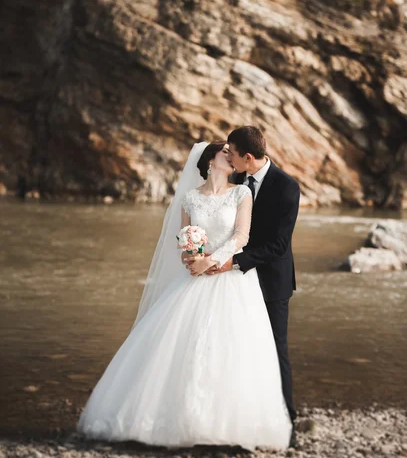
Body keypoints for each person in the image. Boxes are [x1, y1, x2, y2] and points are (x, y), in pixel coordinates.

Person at [77, 141, 292, 450]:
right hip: (194, 277)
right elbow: (185, 238)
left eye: (232, 153)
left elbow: (241, 236)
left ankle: (224, 425)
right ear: (209, 161)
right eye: (225, 153)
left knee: (231, 347)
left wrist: (213, 261)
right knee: (177, 344)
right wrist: (191, 258)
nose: (231, 157)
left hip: (230, 277)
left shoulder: (241, 193)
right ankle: (166, 419)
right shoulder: (190, 198)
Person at [200, 127, 300, 447]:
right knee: (238, 346)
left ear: (248, 157)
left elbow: (279, 246)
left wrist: (235, 261)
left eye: (232, 152)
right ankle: (237, 413)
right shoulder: (237, 180)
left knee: (275, 348)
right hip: (234, 283)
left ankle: (288, 419)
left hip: (270, 280)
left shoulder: (286, 188)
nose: (227, 156)